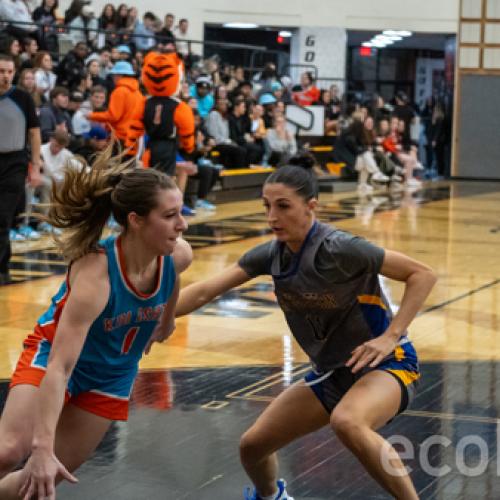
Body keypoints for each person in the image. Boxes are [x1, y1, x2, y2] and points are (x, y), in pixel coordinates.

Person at [175, 161, 437, 500]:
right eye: (267, 206)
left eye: (283, 206)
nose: (272, 217)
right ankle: (272, 497)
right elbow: (203, 291)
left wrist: (391, 336)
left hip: (387, 366)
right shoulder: (270, 255)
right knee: (252, 446)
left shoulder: (339, 247)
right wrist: (151, 318)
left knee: (348, 421)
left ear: (310, 207)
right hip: (332, 371)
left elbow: (423, 274)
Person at [0, 148, 192, 497]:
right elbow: (59, 368)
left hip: (111, 376)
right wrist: (41, 448)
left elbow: (174, 276)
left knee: (37, 481)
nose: (183, 224)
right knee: (9, 450)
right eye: (171, 215)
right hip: (54, 359)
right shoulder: (96, 275)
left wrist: (167, 319)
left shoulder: (177, 254)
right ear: (136, 220)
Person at [0, 53, 42, 285]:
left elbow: (34, 133)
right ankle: (3, 264)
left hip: (14, 162)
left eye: (8, 71)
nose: (5, 76)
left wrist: (35, 166)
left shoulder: (22, 98)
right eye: (1, 71)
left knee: (3, 216)